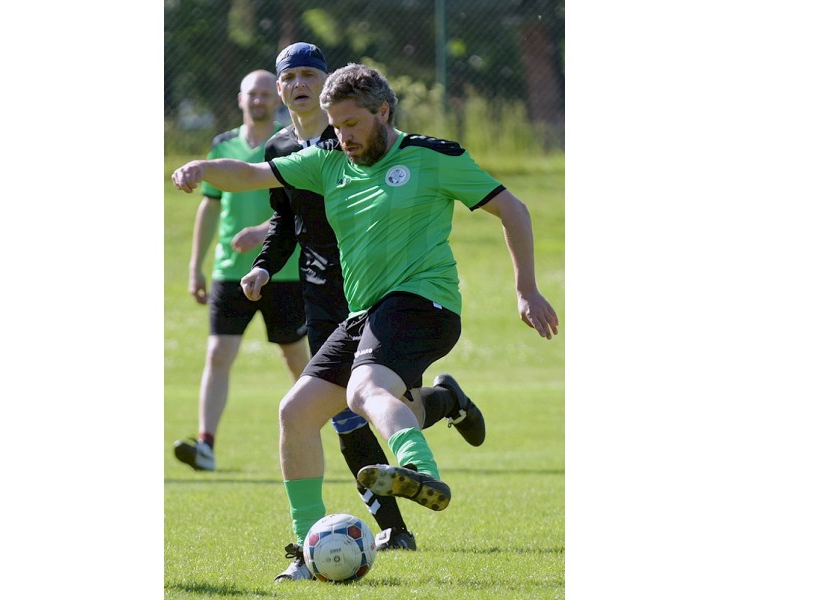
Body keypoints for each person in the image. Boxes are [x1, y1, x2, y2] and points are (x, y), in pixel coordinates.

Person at [171, 63, 560, 581]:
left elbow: (513, 209)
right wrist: (202, 168)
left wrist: (526, 288)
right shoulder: (327, 163)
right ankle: (309, 551)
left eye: (353, 124)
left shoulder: (432, 156)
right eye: (335, 126)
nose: (343, 136)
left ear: (383, 111)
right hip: (364, 314)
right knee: (296, 413)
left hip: (425, 302)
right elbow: (251, 175)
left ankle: (421, 472)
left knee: (365, 389)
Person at [240, 43, 487, 575]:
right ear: (281, 89)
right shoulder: (285, 148)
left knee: (362, 398)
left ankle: (397, 521)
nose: (299, 83)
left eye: (310, 73)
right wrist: (264, 262)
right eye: (291, 76)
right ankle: (440, 404)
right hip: (328, 294)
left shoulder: (357, 143)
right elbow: (285, 220)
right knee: (318, 410)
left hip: (391, 294)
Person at [172, 70, 310, 472]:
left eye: (267, 93)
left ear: (278, 99)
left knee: (297, 358)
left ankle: (336, 427)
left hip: (281, 272)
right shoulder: (222, 145)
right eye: (253, 93)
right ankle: (206, 445)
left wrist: (264, 232)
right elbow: (210, 205)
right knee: (217, 354)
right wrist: (196, 266)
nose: (260, 100)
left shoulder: (289, 144)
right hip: (230, 272)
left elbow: (302, 209)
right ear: (240, 98)